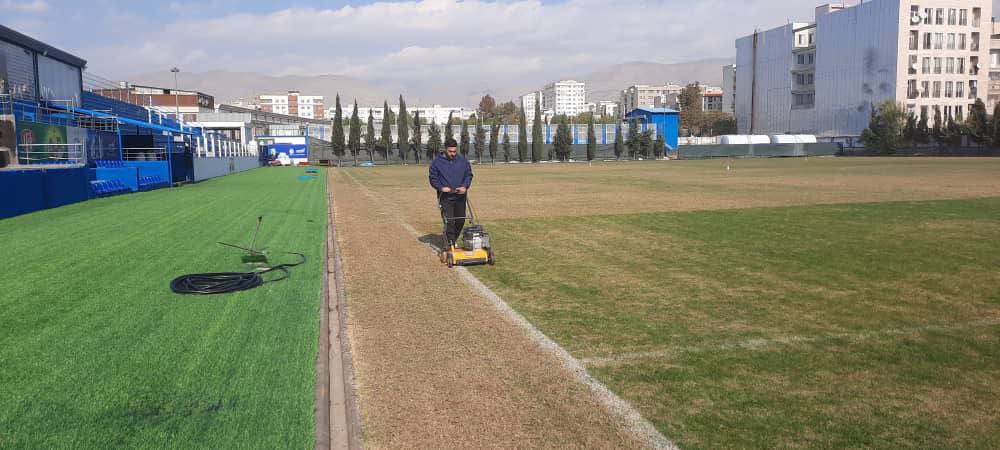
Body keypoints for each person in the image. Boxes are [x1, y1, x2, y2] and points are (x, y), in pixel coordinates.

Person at [429, 138, 473, 248]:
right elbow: (433, 178)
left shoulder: (463, 160)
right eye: (450, 151)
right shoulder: (437, 162)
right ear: (445, 149)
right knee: (450, 221)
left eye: (454, 151)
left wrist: (464, 186)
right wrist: (441, 187)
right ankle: (450, 243)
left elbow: (468, 175)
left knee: (461, 220)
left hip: (460, 196)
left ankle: (452, 239)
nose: (453, 154)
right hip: (445, 197)